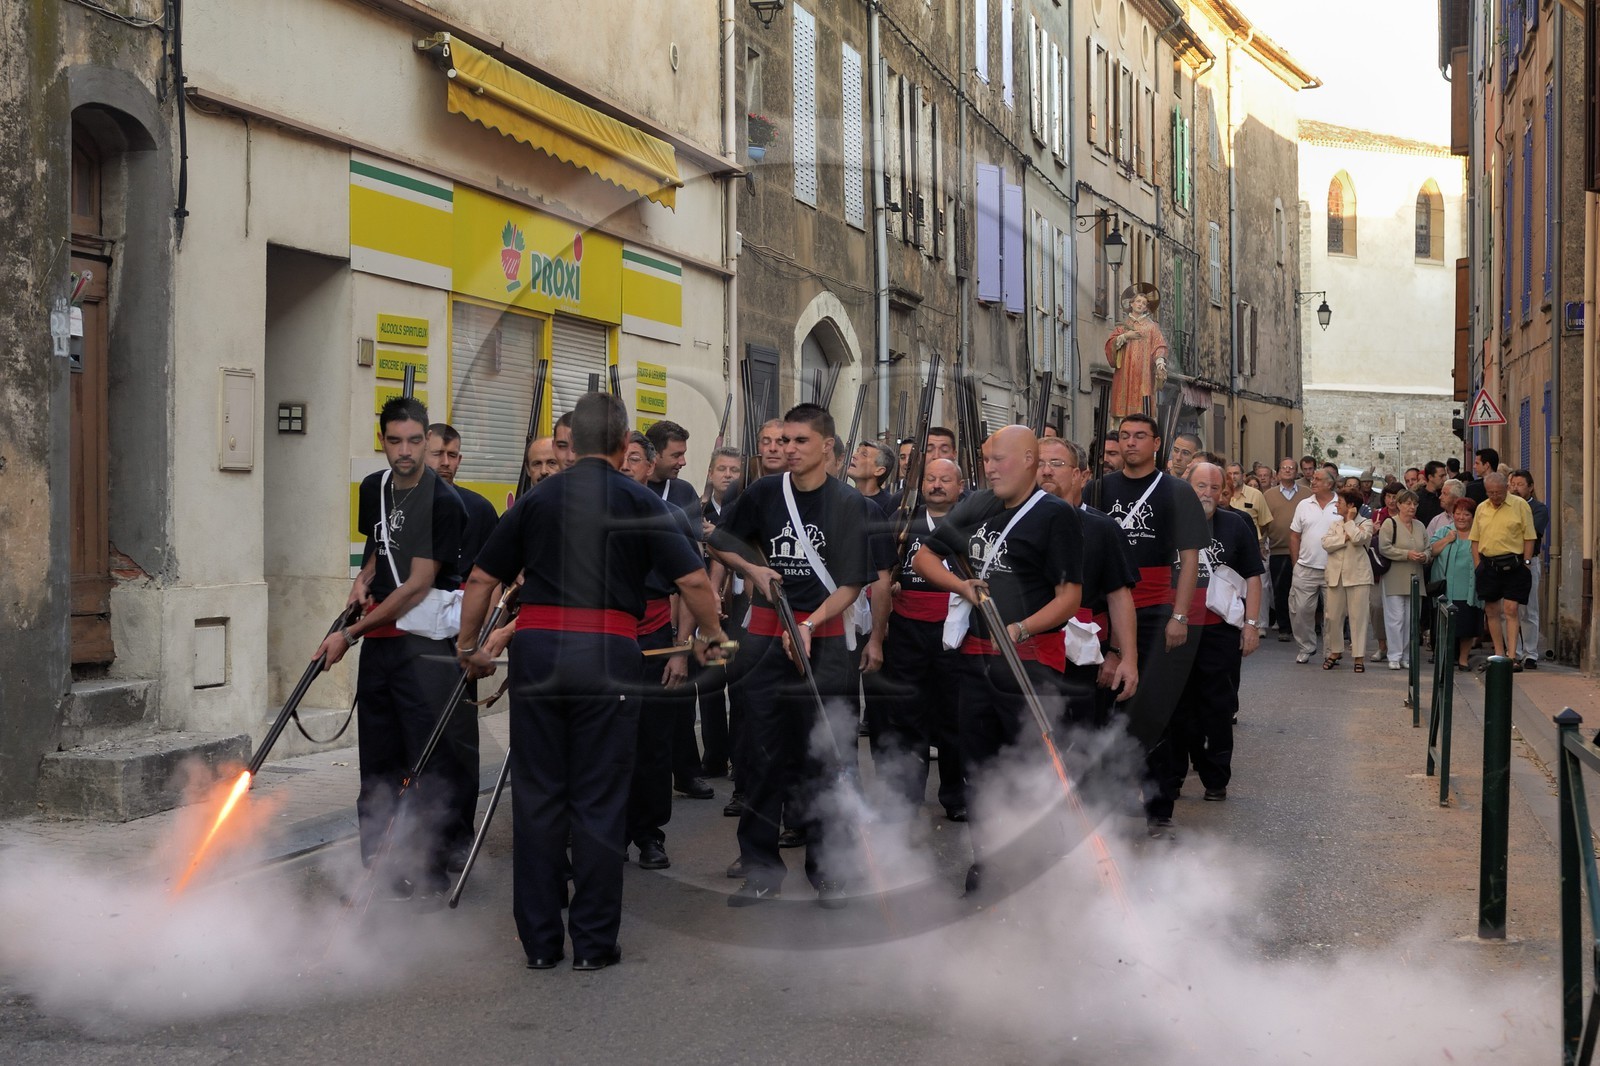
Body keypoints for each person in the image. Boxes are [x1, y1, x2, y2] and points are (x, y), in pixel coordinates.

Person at [457, 392, 728, 971]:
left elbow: (482, 577)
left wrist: (469, 646)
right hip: (609, 653)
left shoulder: (535, 500)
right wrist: (711, 635)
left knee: (538, 797)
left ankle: (538, 945)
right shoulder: (640, 500)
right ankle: (595, 944)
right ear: (623, 441)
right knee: (600, 800)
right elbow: (697, 583)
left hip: (538, 652)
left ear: (569, 443)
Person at [708, 403, 874, 907]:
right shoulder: (762, 492)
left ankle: (832, 871)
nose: (789, 449)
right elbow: (718, 541)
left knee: (828, 754)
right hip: (764, 636)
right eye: (784, 440)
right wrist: (753, 571)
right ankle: (761, 869)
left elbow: (851, 584)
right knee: (760, 755)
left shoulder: (850, 505)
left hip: (823, 640)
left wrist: (808, 621)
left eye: (801, 441)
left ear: (827, 447)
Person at [313, 395, 470, 899]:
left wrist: (347, 634)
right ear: (382, 440)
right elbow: (380, 552)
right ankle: (379, 866)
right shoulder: (372, 489)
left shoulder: (443, 502)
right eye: (395, 440)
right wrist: (362, 580)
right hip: (381, 647)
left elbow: (417, 585)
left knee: (424, 761)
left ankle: (428, 869)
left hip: (423, 649)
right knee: (378, 759)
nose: (405, 451)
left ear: (429, 440)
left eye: (415, 441)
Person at [913, 426, 1083, 890]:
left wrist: (1023, 626)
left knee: (1032, 765)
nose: (990, 468)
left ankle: (1042, 861)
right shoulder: (977, 505)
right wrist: (961, 586)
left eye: (1000, 459)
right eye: (986, 460)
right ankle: (987, 858)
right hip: (975, 660)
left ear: (1030, 460)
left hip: (1031, 660)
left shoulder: (1055, 516)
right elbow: (923, 559)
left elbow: (1069, 597)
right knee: (979, 766)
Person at [1096, 413, 1207, 834]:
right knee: (1107, 707)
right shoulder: (1099, 488)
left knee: (1155, 709)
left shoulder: (1176, 491)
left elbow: (1191, 557)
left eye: (1139, 436)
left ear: (1156, 443)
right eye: (1123, 436)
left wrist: (1180, 616)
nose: (1130, 443)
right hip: (1106, 611)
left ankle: (1158, 807)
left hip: (1158, 609)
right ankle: (1108, 795)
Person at [1143, 462, 1262, 819]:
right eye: (1199, 486)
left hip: (1218, 631)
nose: (1206, 493)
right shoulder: (1167, 522)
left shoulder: (1236, 525)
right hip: (1175, 628)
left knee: (1216, 705)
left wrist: (1252, 625)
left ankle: (1215, 778)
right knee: (1175, 705)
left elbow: (1253, 577)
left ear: (1223, 491)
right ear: (1185, 487)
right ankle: (1174, 776)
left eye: (1213, 487)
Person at [618, 431, 702, 872]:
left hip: (655, 641)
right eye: (621, 458)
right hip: (607, 641)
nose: (627, 466)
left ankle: (649, 833)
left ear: (650, 467)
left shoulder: (671, 515)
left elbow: (691, 588)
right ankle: (606, 832)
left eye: (635, 459)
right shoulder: (594, 513)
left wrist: (680, 650)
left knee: (652, 745)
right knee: (608, 744)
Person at [873, 457, 968, 821]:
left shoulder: (973, 523)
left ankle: (956, 795)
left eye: (945, 479)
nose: (937, 485)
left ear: (960, 487)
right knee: (907, 713)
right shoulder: (902, 521)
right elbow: (885, 572)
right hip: (908, 629)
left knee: (953, 716)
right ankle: (908, 794)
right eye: (930, 479)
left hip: (954, 629)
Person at [1037, 437, 1140, 725]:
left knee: (1081, 741)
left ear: (1080, 476)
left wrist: (1121, 656)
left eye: (1056, 464)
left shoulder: (1103, 528)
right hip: (1029, 650)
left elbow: (1119, 597)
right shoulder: (1016, 520)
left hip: (1085, 653)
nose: (1046, 471)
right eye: (1039, 463)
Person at [644, 420, 714, 798]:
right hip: (644, 609)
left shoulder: (682, 492)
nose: (683, 462)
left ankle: (686, 771)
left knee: (680, 698)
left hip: (676, 604)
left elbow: (690, 560)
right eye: (677, 454)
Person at [1468, 471, 1537, 670]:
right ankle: (1498, 653)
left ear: (1506, 489)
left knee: (1511, 609)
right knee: (1491, 610)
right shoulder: (1482, 508)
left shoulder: (1520, 506)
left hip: (1514, 564)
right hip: (1488, 565)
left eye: (1498, 492)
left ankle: (1512, 655)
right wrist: (1477, 565)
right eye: (1490, 493)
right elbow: (1475, 539)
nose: (1494, 496)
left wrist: (1526, 562)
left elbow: (1529, 536)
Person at [1287, 468, 1340, 664]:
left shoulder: (1340, 504)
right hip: (1305, 567)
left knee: (1332, 614)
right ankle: (1306, 647)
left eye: (1318, 479)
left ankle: (1330, 651)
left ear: (1329, 484)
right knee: (1300, 610)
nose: (1313, 481)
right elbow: (1294, 535)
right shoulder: (1303, 504)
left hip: (1333, 567)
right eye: (1313, 478)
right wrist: (1296, 563)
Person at [1319, 490, 1375, 672]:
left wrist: (1350, 522)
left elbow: (1359, 539)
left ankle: (1359, 656)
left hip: (1358, 576)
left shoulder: (1366, 523)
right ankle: (1335, 651)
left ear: (1351, 506)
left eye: (1340, 502)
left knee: (1359, 618)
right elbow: (1326, 543)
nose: (1336, 505)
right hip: (1336, 576)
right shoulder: (1335, 524)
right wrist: (1345, 537)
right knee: (1333, 616)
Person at [1427, 498, 1483, 671]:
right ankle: (1445, 657)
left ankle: (1463, 659)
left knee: (1467, 626)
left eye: (1466, 514)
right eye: (1458, 513)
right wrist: (1446, 540)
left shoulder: (1479, 534)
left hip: (1469, 589)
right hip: (1447, 590)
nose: (1461, 517)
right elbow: (1431, 551)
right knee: (1445, 626)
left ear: (1473, 517)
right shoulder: (1445, 530)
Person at [1376, 489, 1428, 670]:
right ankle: (1394, 655)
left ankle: (1406, 655)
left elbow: (1428, 548)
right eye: (1407, 503)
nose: (1412, 507)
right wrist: (1407, 554)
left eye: (1415, 504)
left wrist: (1425, 556)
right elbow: (1384, 548)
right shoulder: (1390, 524)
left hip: (1416, 578)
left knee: (1411, 619)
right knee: (1395, 618)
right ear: (1399, 505)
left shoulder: (1420, 526)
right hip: (1394, 578)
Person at [1262, 458, 1309, 643]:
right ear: (1278, 473)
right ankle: (1284, 627)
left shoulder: (1306, 494)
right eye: (1284, 468)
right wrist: (1261, 543)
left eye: (1291, 468)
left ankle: (1303, 627)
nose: (1288, 471)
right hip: (1278, 549)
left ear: (1296, 472)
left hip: (1303, 550)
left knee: (1301, 591)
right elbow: (1264, 521)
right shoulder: (1269, 495)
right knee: (1280, 591)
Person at [1105, 282, 1169, 418]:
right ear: (1131, 304)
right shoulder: (1122, 326)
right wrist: (1125, 336)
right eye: (1138, 301)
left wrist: (1160, 362)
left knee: (1143, 406)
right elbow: (1110, 345)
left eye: (1144, 303)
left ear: (1146, 308)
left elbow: (1159, 346)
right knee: (1122, 404)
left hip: (1144, 374)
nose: (1140, 304)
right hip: (1124, 373)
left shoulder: (1152, 327)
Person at [1509, 469, 1549, 670]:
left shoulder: (1539, 509)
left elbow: (1530, 532)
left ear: (1531, 487)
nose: (1515, 488)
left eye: (1520, 484)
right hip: (1506, 562)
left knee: (1528, 609)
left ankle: (1530, 653)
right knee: (1508, 609)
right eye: (1512, 484)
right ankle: (1512, 652)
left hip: (1528, 562)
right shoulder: (1505, 508)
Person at [847, 441, 899, 514]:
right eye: (857, 451)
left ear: (879, 471)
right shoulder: (843, 498)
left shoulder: (889, 506)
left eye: (864, 454)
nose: (854, 456)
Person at [1415, 461, 1446, 526]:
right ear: (1430, 477)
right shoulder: (1417, 498)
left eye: (1445, 475)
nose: (1445, 479)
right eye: (1441, 476)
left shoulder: (1445, 495)